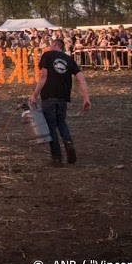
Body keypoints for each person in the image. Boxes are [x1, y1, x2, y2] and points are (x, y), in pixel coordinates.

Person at [29, 38, 91, 167]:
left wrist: (34, 94)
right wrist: (86, 98)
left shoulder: (47, 55)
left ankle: (57, 157)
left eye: (51, 44)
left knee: (51, 125)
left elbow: (43, 76)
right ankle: (68, 144)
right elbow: (81, 79)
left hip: (49, 95)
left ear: (55, 45)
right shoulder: (69, 59)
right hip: (63, 97)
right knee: (61, 122)